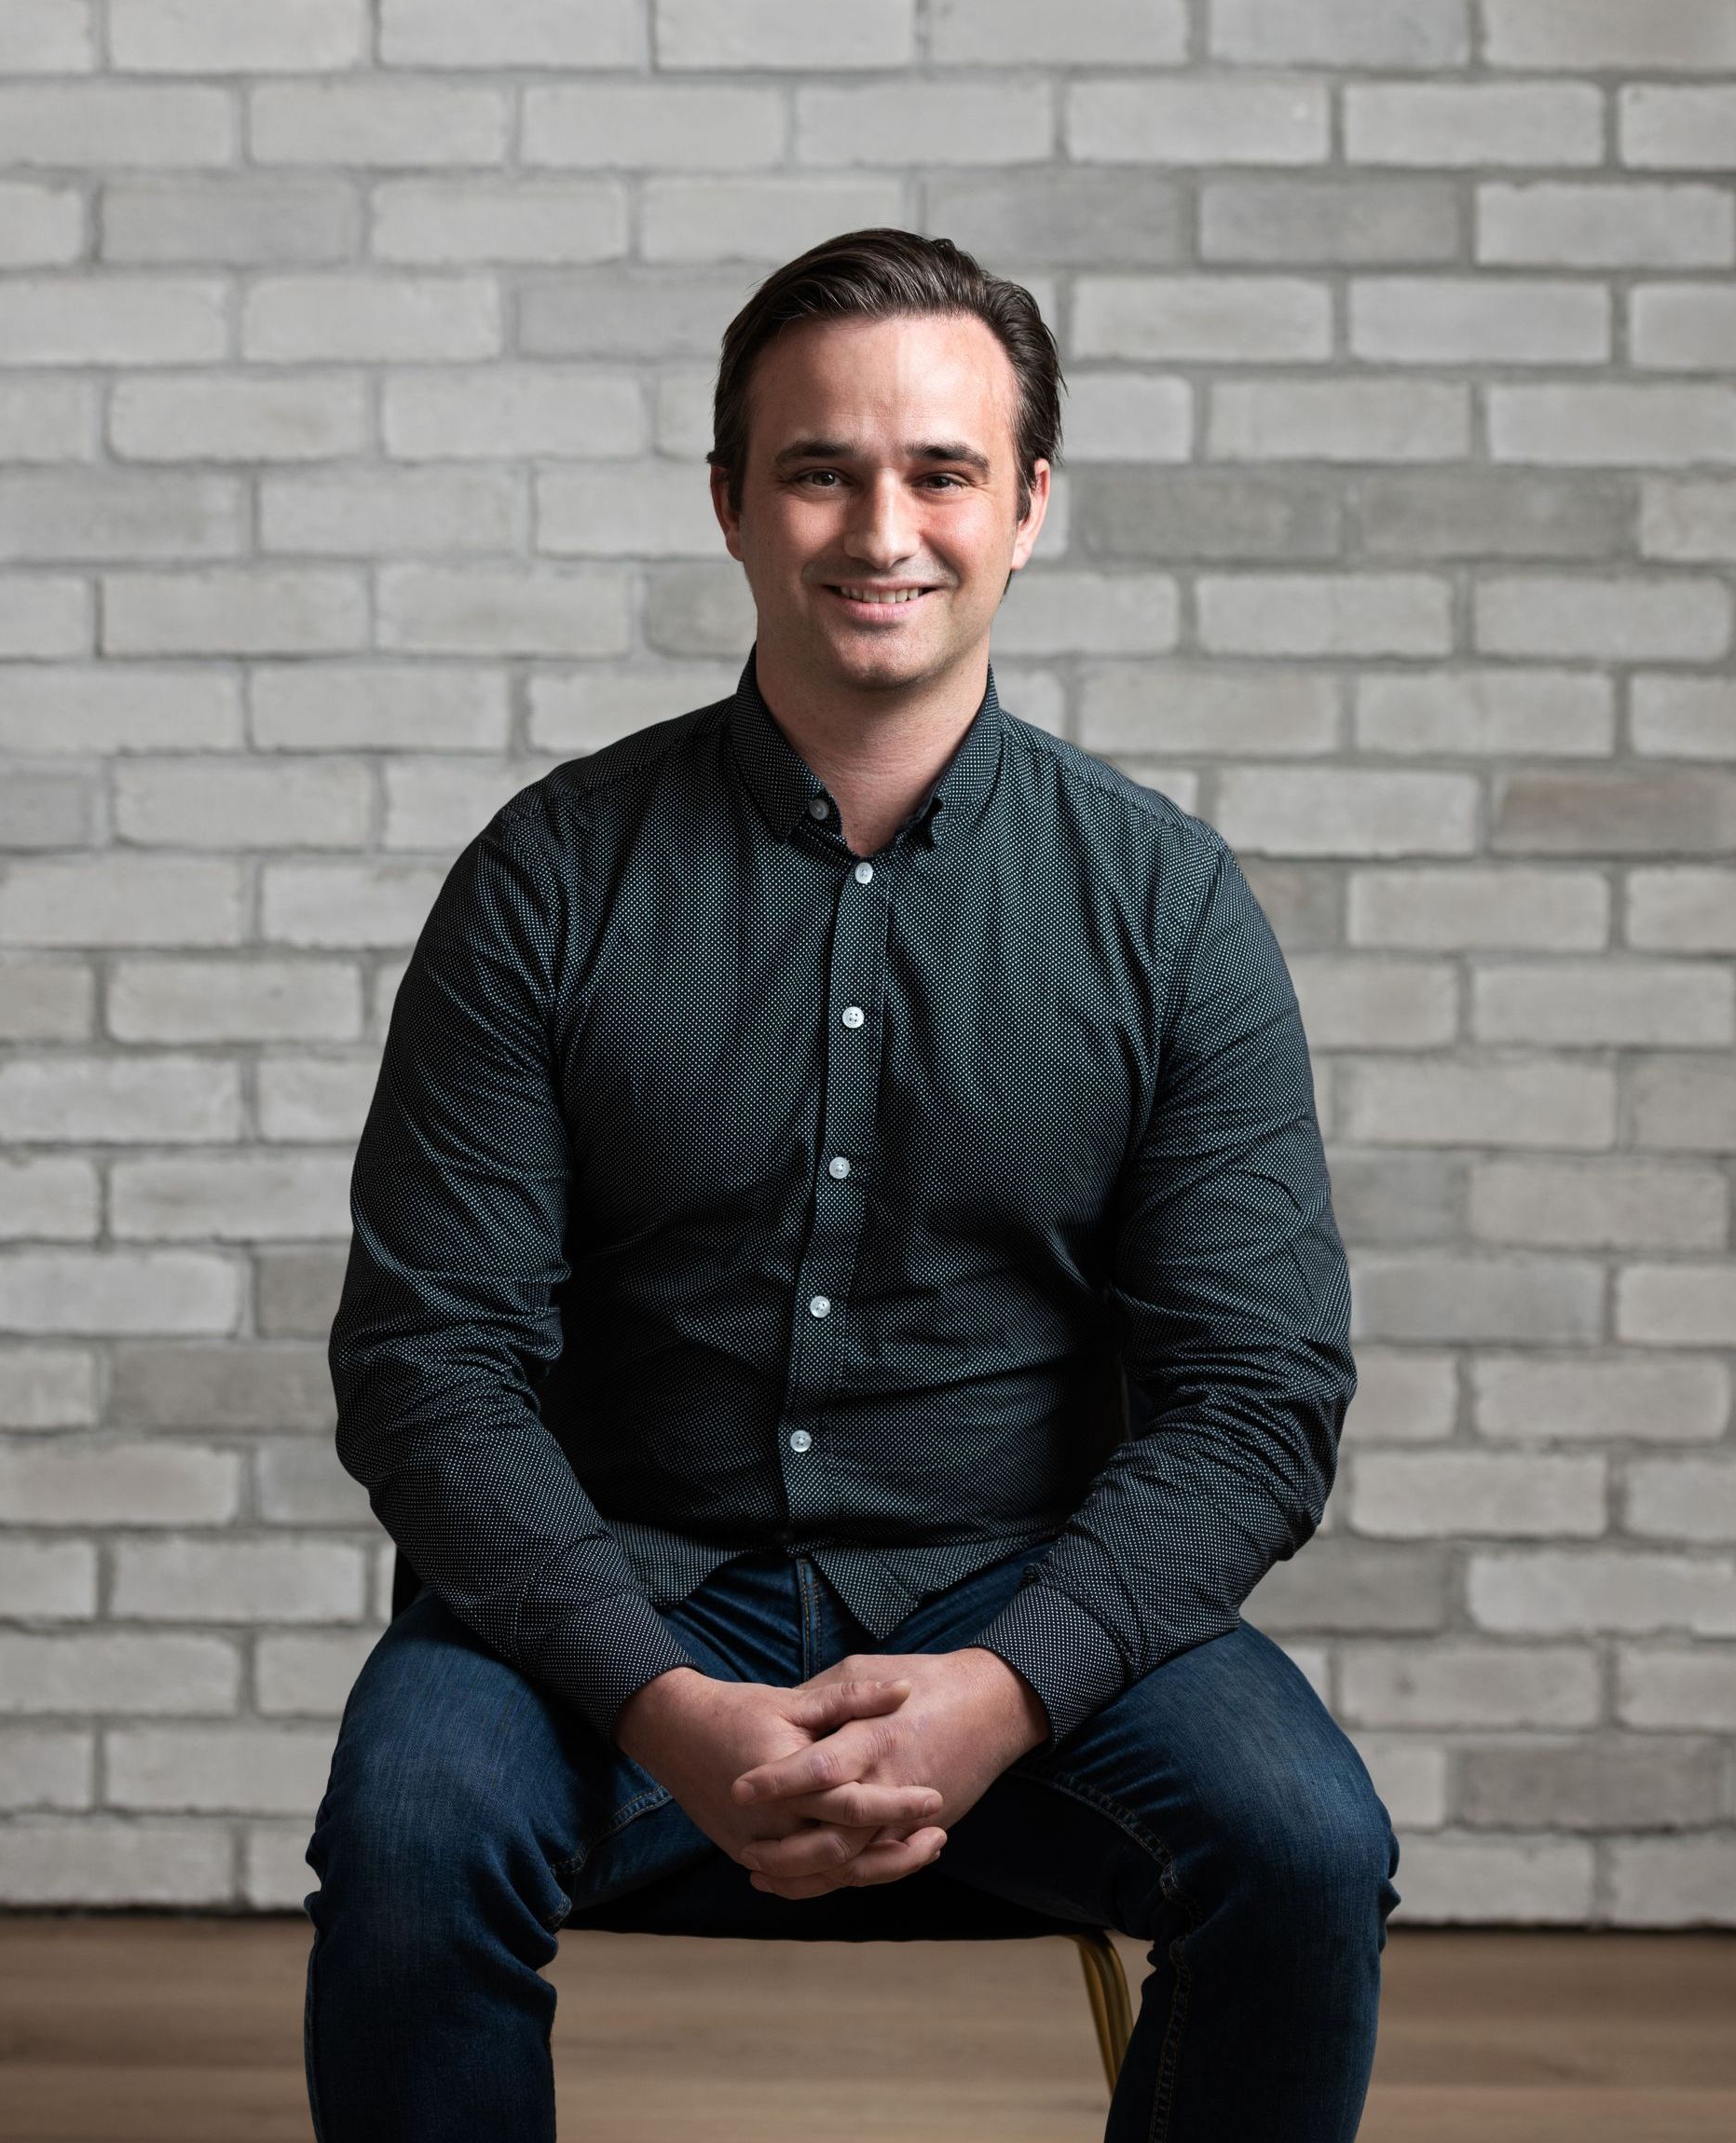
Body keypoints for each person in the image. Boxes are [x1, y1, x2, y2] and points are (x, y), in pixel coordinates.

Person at [302, 227, 1401, 2143]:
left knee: (1306, 1844)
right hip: (615, 1590)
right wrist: (659, 1697)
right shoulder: (545, 882)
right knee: (410, 1827)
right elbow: (429, 1367)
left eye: (941, 471)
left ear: (1031, 505)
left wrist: (1003, 1687)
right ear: (730, 500)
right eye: (820, 469)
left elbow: (1255, 1399)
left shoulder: (1166, 909)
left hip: (1018, 1599)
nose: (879, 527)